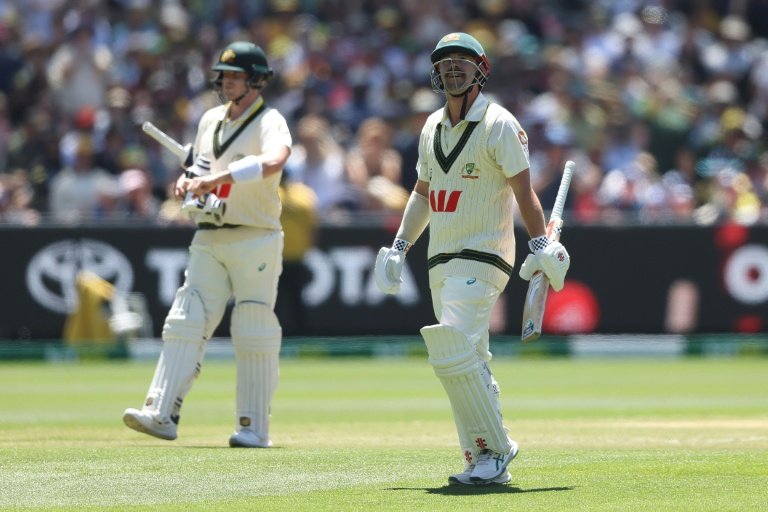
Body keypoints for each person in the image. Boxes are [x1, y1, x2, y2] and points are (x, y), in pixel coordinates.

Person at [374, 33, 570, 486]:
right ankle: (482, 458)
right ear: (435, 72)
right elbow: (422, 194)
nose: (453, 70)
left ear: (481, 69)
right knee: (470, 361)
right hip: (440, 259)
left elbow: (524, 192)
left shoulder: (500, 123)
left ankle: (494, 450)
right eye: (445, 64)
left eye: (462, 62)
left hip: (483, 254)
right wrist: (401, 246)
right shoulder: (430, 128)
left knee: (451, 350)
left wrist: (539, 245)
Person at [123, 41, 292, 448]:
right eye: (224, 75)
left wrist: (215, 181)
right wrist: (188, 182)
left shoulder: (270, 119)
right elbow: (199, 166)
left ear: (255, 79)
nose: (227, 81)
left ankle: (253, 428)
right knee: (186, 318)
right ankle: (161, 412)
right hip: (209, 234)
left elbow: (275, 161)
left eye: (235, 75)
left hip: (256, 235)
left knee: (253, 326)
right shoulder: (211, 119)